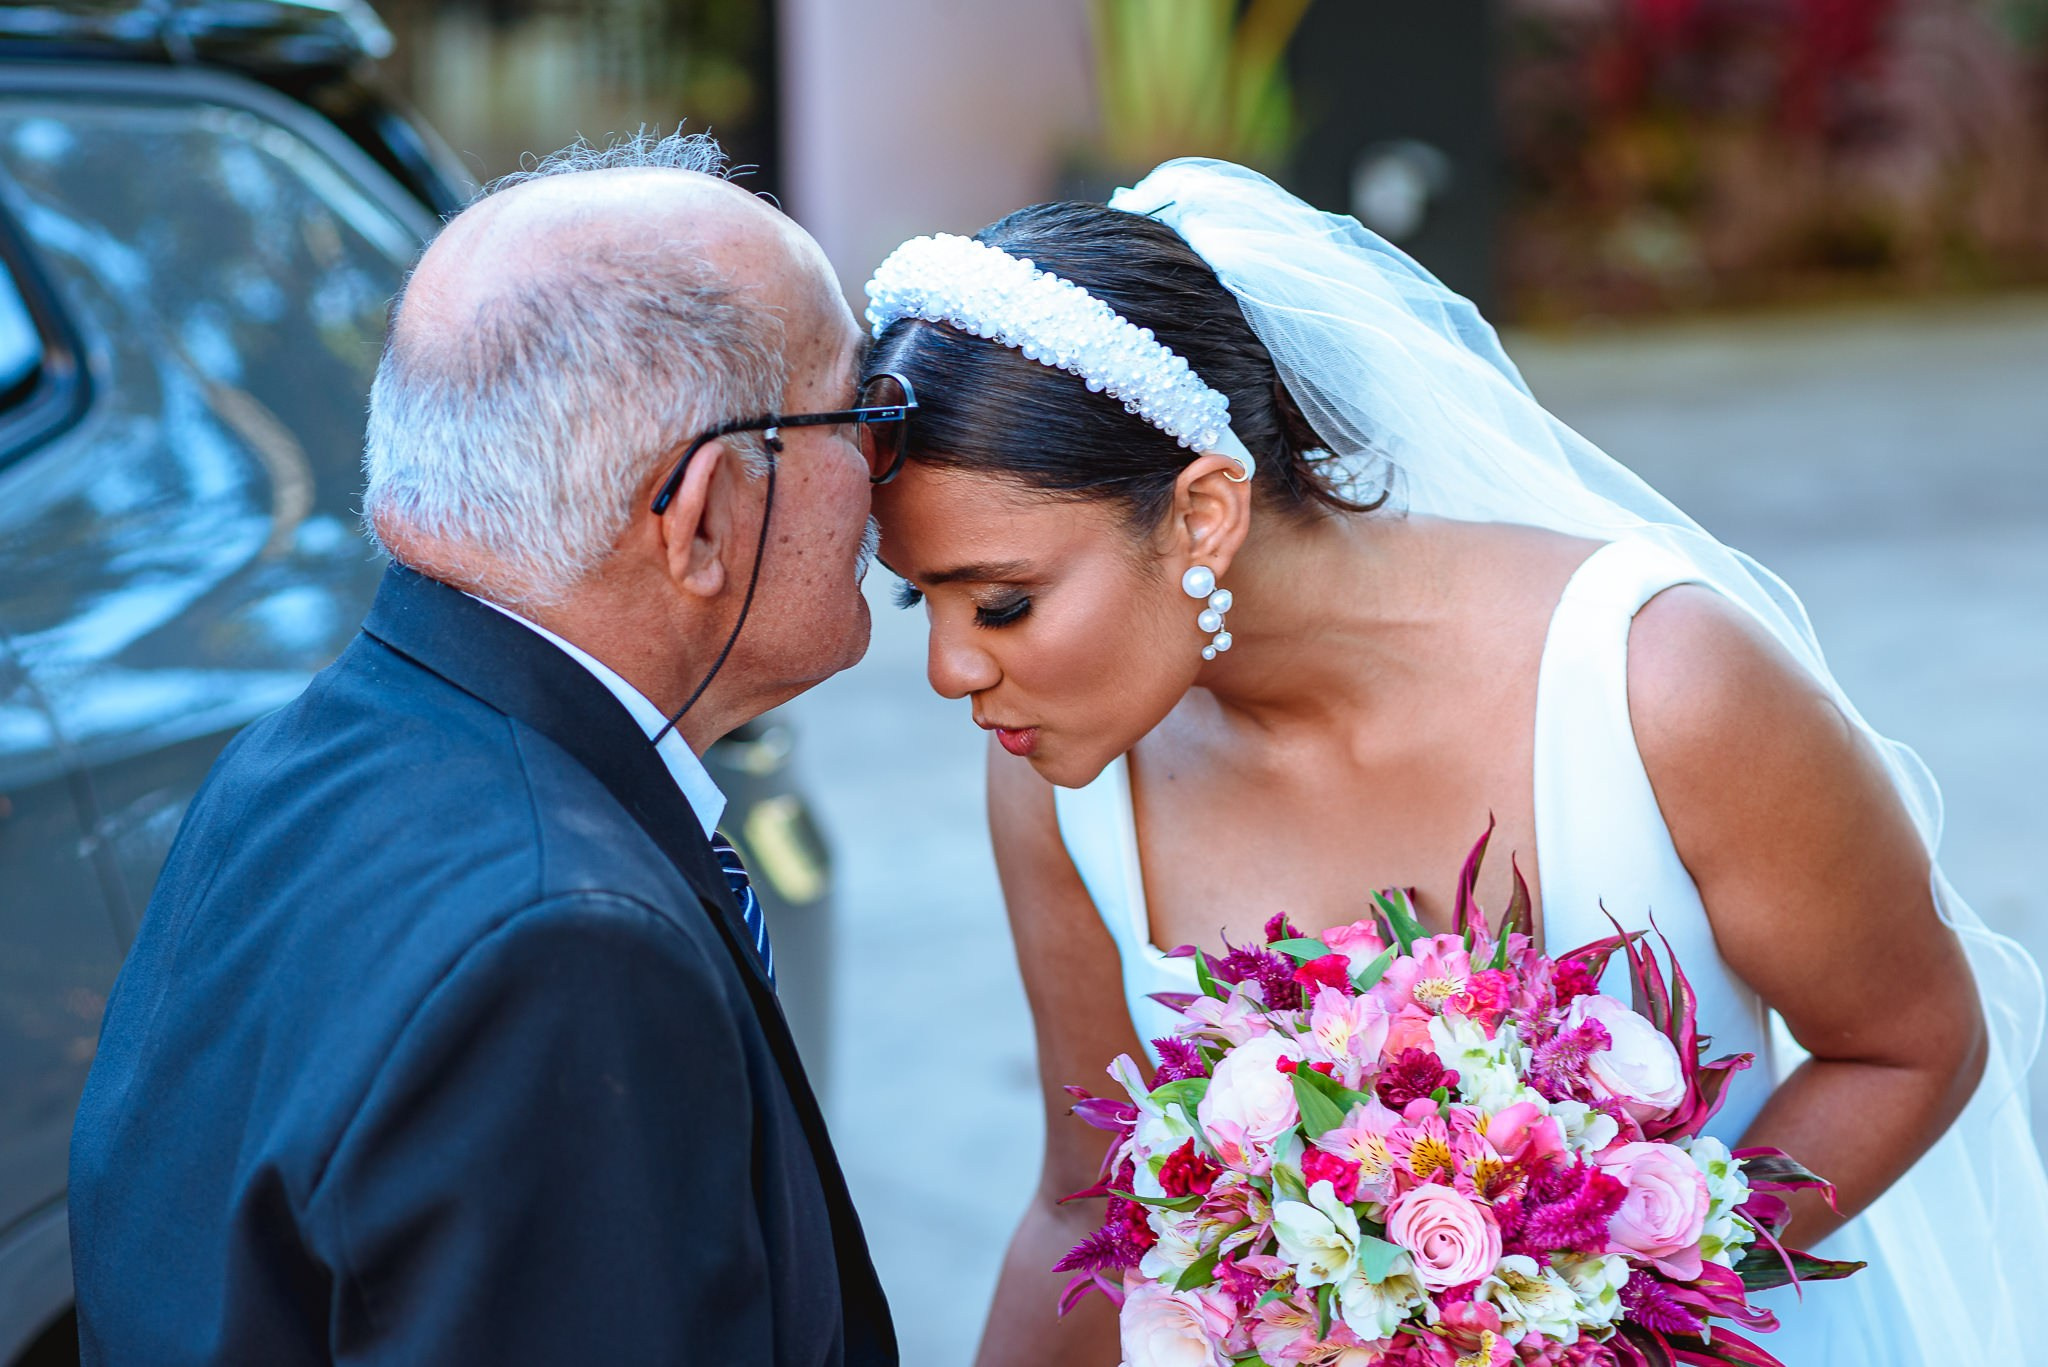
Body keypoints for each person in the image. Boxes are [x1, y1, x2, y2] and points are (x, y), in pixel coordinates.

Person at [862, 159, 2046, 1365]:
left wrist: (1593, 1306)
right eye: (924, 606)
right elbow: (1083, 1198)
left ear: (1203, 511)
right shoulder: (1058, 771)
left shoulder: (1656, 681)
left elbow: (1907, 1040)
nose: (951, 672)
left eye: (1000, 603)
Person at [68, 131, 900, 1365]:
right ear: (705, 513)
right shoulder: (566, 946)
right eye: (863, 414)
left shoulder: (299, 758)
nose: (890, 471)